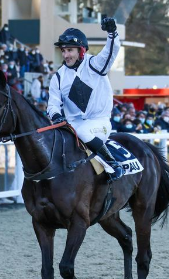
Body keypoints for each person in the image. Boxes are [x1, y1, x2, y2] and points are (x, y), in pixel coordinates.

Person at [47, 18, 123, 182]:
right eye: (63, 51)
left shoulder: (94, 64)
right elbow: (52, 104)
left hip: (99, 122)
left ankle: (113, 163)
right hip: (72, 124)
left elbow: (111, 51)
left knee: (81, 131)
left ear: (81, 50)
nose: (66, 55)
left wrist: (112, 34)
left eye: (70, 50)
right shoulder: (58, 77)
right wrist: (55, 115)